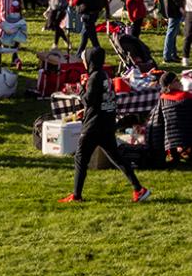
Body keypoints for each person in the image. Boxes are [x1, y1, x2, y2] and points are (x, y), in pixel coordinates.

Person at [57, 46, 149, 205]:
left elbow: (88, 100)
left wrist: (79, 89)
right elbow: (101, 100)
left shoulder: (94, 78)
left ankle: (76, 196)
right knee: (117, 158)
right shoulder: (105, 75)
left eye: (85, 59)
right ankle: (139, 189)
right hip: (106, 122)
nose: (84, 62)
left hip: (94, 126)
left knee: (80, 158)